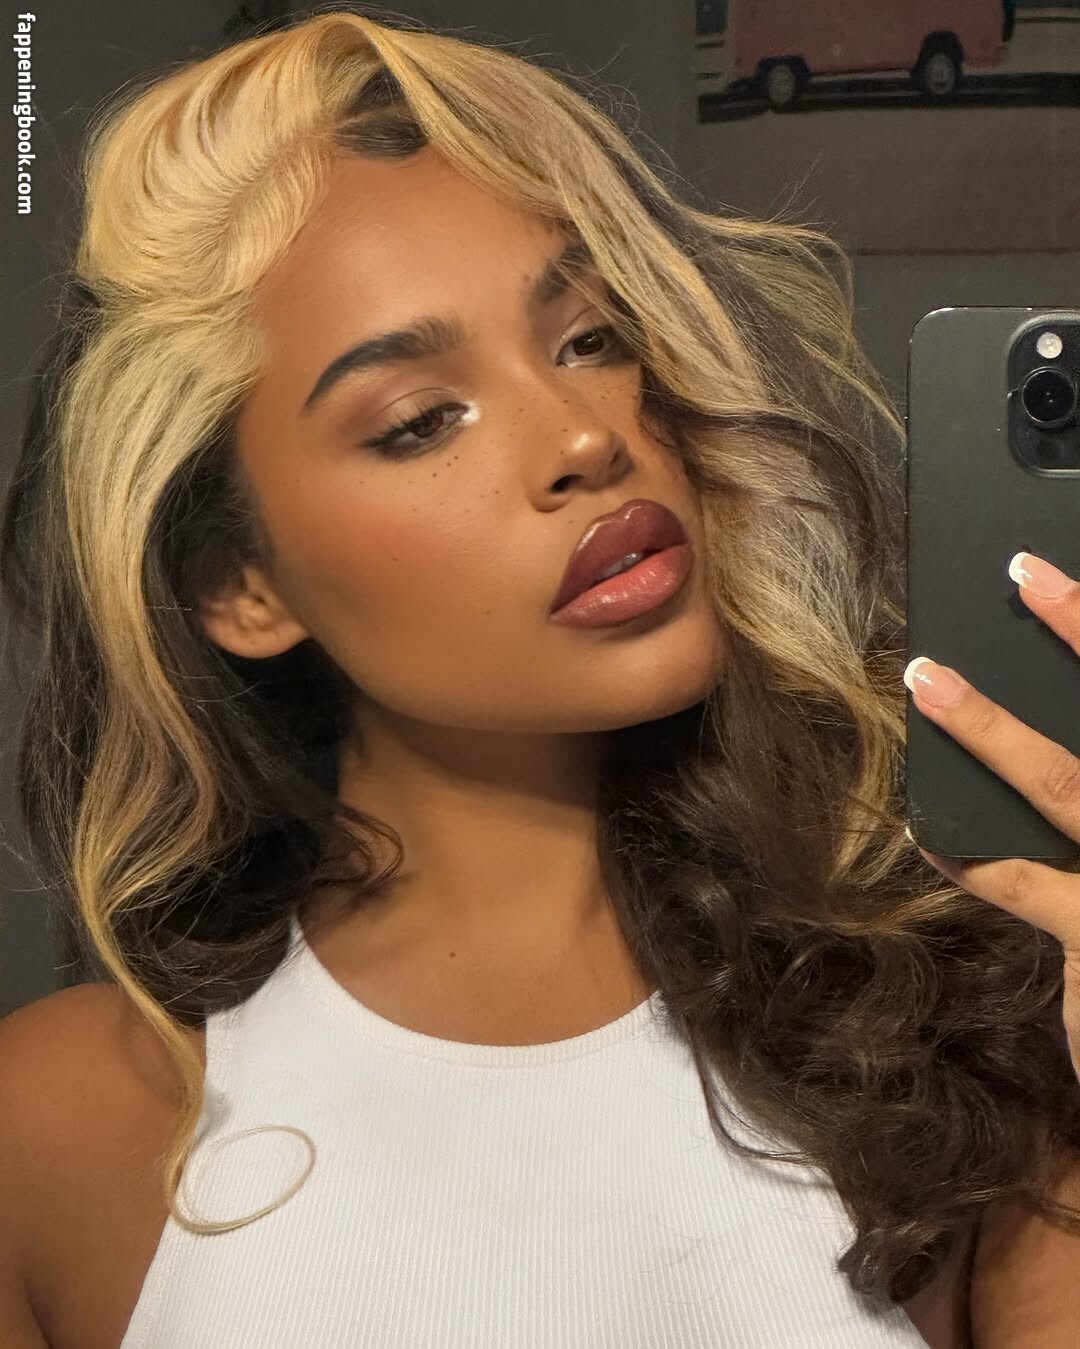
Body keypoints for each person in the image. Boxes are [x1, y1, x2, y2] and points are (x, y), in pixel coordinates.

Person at [1, 7, 1079, 1348]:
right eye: (419, 420)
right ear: (244, 587)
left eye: (591, 337)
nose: (582, 437)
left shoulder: (964, 1034)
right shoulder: (60, 1135)